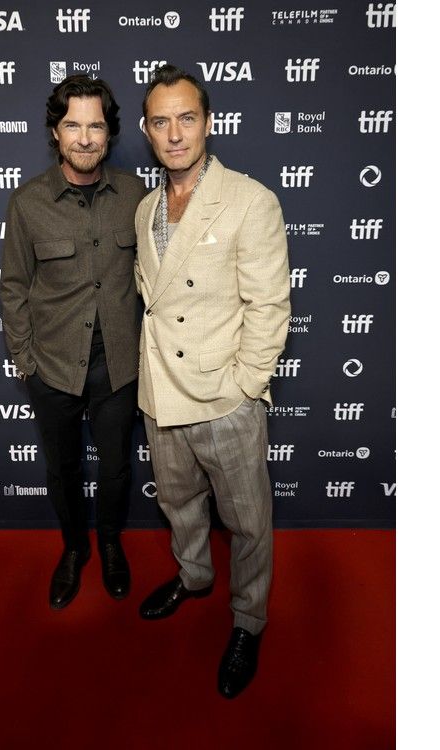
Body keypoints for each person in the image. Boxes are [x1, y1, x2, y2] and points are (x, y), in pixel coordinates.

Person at [134, 65, 291, 698]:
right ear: (147, 132)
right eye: (161, 121)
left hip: (225, 399)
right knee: (177, 504)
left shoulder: (251, 200)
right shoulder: (146, 207)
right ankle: (195, 576)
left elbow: (269, 305)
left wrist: (246, 385)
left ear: (209, 123)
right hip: (162, 393)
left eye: (187, 118)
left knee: (249, 522)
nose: (175, 133)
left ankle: (248, 620)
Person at [0, 75, 147, 610]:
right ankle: (73, 549)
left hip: (119, 367)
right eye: (72, 125)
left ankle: (109, 544)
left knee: (115, 468)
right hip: (54, 367)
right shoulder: (28, 203)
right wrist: (24, 361)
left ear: (109, 132)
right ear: (55, 133)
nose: (85, 138)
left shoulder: (136, 195)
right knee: (61, 470)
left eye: (95, 125)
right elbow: (14, 286)